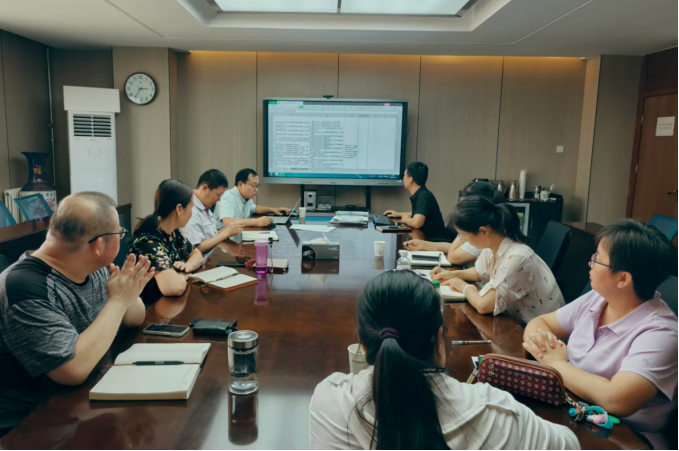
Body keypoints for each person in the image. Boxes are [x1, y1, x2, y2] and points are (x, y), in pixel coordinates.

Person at [309, 271, 579, 450]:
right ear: (439, 339)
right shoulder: (494, 411)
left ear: (363, 343)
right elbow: (569, 444)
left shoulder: (329, 401)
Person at [0, 192, 153, 428]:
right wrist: (118, 301)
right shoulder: (24, 288)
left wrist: (125, 295)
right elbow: (72, 370)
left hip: (82, 396)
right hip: (31, 420)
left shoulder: (92, 266)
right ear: (99, 245)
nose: (122, 238)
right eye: (119, 234)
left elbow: (133, 318)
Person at [523, 220, 678, 448]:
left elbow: (616, 399)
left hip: (622, 437)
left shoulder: (662, 334)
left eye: (598, 258)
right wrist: (541, 340)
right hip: (575, 409)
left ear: (623, 279)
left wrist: (556, 364)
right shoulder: (598, 298)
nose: (590, 262)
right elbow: (541, 322)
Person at [432, 197, 564, 326]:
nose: (463, 240)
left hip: (542, 331)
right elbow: (480, 272)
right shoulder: (492, 248)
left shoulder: (518, 258)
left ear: (483, 231)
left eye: (463, 235)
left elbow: (483, 305)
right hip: (516, 321)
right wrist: (451, 274)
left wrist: (462, 285)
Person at [130, 179, 204, 301]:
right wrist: (183, 275)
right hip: (150, 307)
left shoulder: (172, 233)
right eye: (191, 207)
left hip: (167, 303)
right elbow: (173, 288)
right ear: (179, 209)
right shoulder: (149, 242)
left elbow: (197, 255)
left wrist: (186, 266)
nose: (192, 212)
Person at [405, 181, 505, 265]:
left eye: (464, 198)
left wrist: (462, 229)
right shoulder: (484, 227)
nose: (460, 200)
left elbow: (453, 256)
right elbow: (456, 248)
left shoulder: (482, 233)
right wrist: (422, 244)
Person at [383, 162, 454, 243]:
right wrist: (398, 214)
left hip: (436, 241)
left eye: (404, 176)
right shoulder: (422, 193)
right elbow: (419, 213)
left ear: (410, 180)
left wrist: (406, 220)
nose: (403, 178)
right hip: (427, 238)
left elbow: (416, 223)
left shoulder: (424, 196)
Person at [179, 169, 244, 255]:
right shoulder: (190, 208)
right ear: (204, 188)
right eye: (218, 195)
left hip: (210, 256)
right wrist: (226, 233)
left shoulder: (205, 205)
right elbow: (194, 249)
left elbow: (209, 236)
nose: (219, 200)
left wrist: (228, 230)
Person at [216, 168, 290, 230]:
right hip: (223, 238)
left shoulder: (246, 197)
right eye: (253, 185)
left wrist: (273, 210)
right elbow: (228, 222)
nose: (256, 190)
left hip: (238, 233)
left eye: (257, 186)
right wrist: (256, 222)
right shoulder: (228, 197)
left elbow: (254, 208)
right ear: (240, 184)